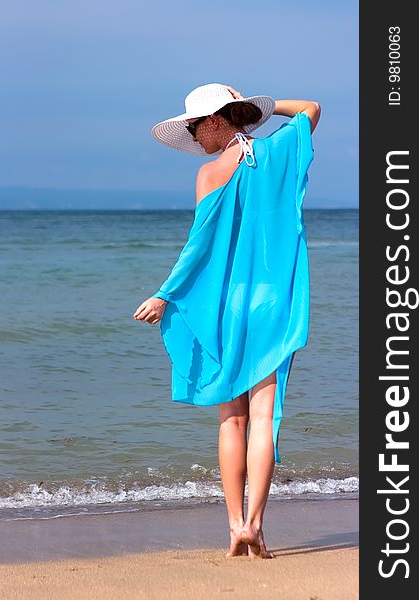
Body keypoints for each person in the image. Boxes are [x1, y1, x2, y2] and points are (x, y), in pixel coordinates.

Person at [133, 83, 321, 559]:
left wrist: (165, 293)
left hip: (228, 305)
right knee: (263, 418)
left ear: (215, 119)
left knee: (231, 419)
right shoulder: (278, 150)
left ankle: (235, 523)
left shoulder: (211, 172)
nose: (195, 138)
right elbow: (312, 108)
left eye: (196, 127)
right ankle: (255, 526)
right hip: (273, 301)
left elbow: (199, 248)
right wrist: (263, 107)